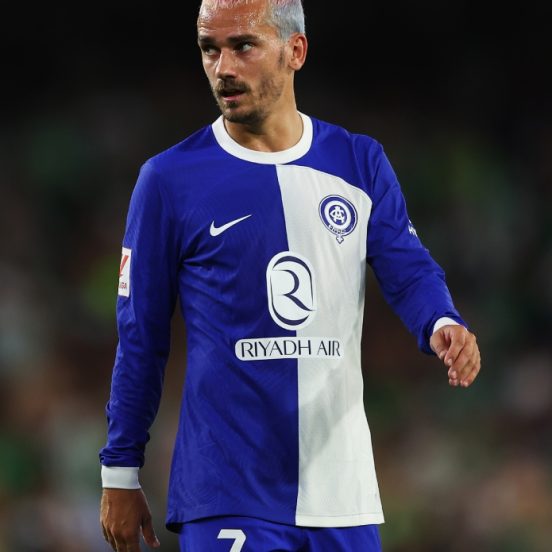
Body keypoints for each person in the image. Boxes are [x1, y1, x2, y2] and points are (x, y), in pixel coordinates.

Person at [99, 0, 481, 550]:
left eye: (243, 46)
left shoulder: (358, 162)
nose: (223, 68)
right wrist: (120, 470)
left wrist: (440, 319)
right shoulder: (168, 180)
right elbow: (141, 335)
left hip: (342, 494)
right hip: (228, 493)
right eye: (210, 49)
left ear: (295, 50)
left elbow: (408, 265)